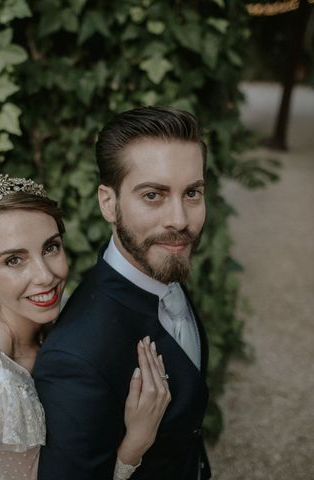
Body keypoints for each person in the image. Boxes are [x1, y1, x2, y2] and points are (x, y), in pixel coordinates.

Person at [0, 174, 171, 480]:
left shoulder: (33, 324)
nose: (45, 275)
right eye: (14, 260)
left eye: (50, 248)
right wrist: (135, 444)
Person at [33, 106, 212, 479]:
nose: (179, 220)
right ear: (108, 203)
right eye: (153, 195)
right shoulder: (75, 359)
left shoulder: (161, 262)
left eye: (192, 192)